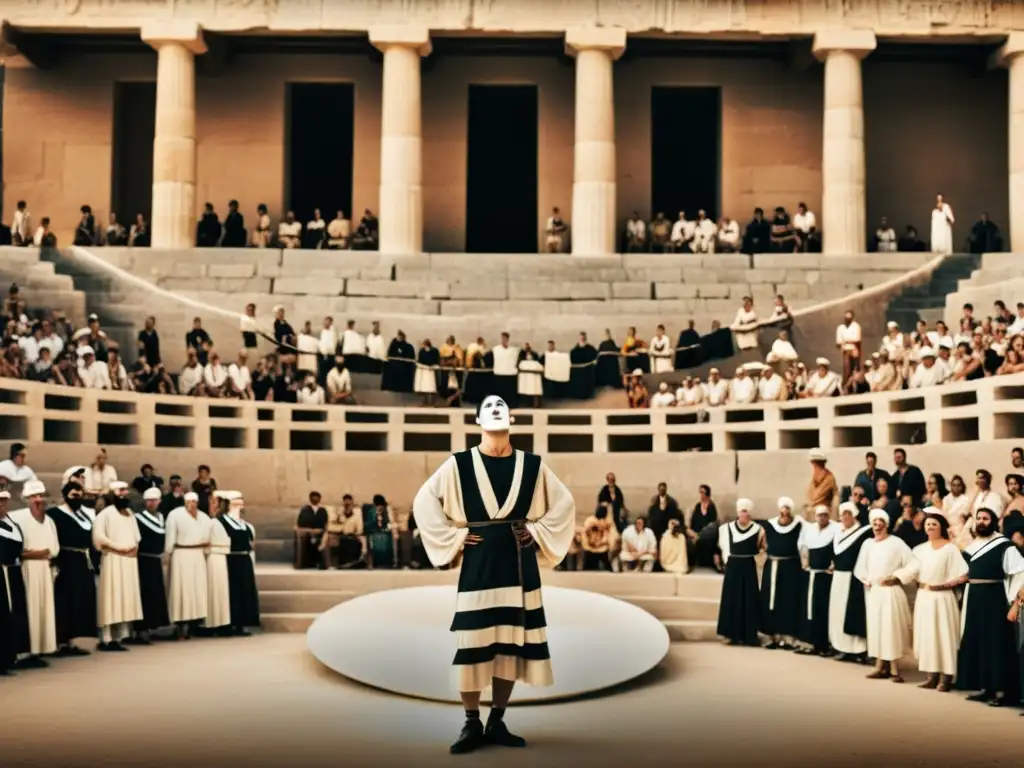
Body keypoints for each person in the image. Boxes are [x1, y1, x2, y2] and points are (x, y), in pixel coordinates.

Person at [412, 394, 575, 754]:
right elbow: (424, 500)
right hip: (481, 561)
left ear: (512, 420)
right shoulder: (459, 464)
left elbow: (565, 502)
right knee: (472, 642)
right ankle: (471, 721)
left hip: (518, 562)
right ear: (477, 421)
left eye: (502, 406)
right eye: (488, 406)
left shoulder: (532, 465)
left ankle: (497, 718)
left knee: (509, 644)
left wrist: (537, 531)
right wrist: (454, 536)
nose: (496, 408)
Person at [956, 507, 1024, 706]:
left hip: (994, 599)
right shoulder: (973, 545)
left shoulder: (1005, 545)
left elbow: (1020, 572)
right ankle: (985, 687)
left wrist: (1015, 602)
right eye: (978, 518)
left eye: (985, 518)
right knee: (979, 642)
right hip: (975, 598)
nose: (981, 521)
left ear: (993, 522)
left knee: (996, 644)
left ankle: (1002, 691)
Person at [854, 509, 919, 682]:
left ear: (886, 524)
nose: (876, 525)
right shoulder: (868, 544)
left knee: (891, 629)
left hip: (891, 593)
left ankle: (894, 669)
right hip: (875, 592)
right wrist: (866, 579)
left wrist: (896, 577)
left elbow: (914, 564)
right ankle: (879, 666)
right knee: (876, 629)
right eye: (873, 522)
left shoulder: (896, 543)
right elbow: (860, 566)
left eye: (879, 522)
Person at [911, 512, 968, 692]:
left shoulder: (950, 549)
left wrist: (944, 585)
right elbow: (912, 570)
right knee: (927, 636)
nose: (930, 527)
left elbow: (963, 575)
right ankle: (931, 675)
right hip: (924, 597)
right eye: (928, 525)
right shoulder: (919, 549)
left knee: (943, 636)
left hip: (942, 598)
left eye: (934, 524)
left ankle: (946, 677)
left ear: (941, 527)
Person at [8, 480, 59, 668]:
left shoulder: (49, 521)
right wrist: (32, 553)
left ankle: (37, 650)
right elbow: (12, 548)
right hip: (26, 569)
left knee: (42, 610)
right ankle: (23, 652)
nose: (38, 500)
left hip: (44, 570)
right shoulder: (17, 518)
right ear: (27, 498)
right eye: (34, 496)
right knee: (27, 609)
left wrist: (44, 554)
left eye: (41, 496)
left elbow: (53, 548)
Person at [48, 481, 97, 656]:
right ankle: (61, 642)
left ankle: (72, 641)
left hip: (83, 562)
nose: (77, 498)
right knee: (65, 601)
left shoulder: (84, 515)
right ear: (65, 495)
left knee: (79, 602)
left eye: (80, 495)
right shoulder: (54, 514)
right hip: (66, 563)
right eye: (73, 495)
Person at [92, 481, 143, 651]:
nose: (124, 494)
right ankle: (106, 638)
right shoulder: (105, 514)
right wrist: (119, 548)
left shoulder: (130, 514)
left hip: (129, 562)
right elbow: (99, 539)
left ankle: (120, 636)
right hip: (113, 560)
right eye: (120, 491)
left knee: (124, 599)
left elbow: (136, 538)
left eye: (125, 491)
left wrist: (132, 550)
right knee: (110, 599)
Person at [759, 497, 805, 650]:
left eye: (787, 509)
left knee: (788, 601)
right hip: (773, 567)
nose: (785, 512)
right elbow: (761, 543)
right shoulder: (770, 524)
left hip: (791, 568)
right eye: (782, 509)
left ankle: (788, 637)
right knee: (770, 601)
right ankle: (770, 636)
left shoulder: (799, 524)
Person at [829, 502, 872, 662]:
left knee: (854, 613)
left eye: (848, 514)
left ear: (854, 515)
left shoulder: (863, 533)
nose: (845, 517)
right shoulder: (838, 533)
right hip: (838, 578)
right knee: (838, 613)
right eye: (843, 514)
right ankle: (842, 648)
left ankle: (859, 650)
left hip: (854, 578)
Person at [164, 492, 210, 640]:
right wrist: (168, 553)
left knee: (197, 589)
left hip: (198, 556)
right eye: (189, 501)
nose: (192, 504)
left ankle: (195, 621)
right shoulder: (175, 515)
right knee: (181, 589)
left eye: (194, 501)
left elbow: (208, 537)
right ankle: (180, 623)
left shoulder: (203, 517)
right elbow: (170, 536)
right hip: (181, 555)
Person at [717, 498, 763, 646]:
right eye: (742, 511)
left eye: (746, 512)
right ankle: (730, 634)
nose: (744, 514)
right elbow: (723, 547)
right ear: (738, 512)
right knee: (732, 600)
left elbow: (762, 547)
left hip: (748, 566)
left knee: (749, 600)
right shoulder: (727, 528)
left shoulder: (758, 529)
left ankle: (749, 635)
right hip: (733, 567)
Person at [798, 505, 839, 656]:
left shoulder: (835, 529)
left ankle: (823, 645)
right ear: (815, 517)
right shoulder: (810, 530)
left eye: (824, 515)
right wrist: (805, 561)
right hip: (810, 575)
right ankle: (810, 642)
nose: (822, 518)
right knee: (809, 609)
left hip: (824, 577)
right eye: (819, 515)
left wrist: (833, 565)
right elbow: (804, 548)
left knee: (822, 610)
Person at [132, 487, 169, 643]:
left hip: (156, 561)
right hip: (143, 561)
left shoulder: (161, 517)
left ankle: (153, 625)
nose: (151, 503)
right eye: (148, 501)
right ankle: (141, 629)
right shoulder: (138, 518)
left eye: (154, 500)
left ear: (159, 501)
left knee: (155, 594)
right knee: (144, 594)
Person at [220, 491, 260, 636]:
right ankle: (229, 624)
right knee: (231, 592)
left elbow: (251, 545)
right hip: (230, 561)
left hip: (244, 561)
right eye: (236, 502)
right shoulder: (221, 522)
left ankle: (241, 624)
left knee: (244, 592)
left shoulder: (246, 525)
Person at [0, 489, 31, 674]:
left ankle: (11, 656)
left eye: (4, 502)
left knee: (13, 614)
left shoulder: (12, 524)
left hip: (12, 572)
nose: (2, 505)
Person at [205, 493, 233, 636]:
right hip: (211, 560)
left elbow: (226, 543)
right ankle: (210, 624)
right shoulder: (207, 521)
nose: (214, 505)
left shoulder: (220, 522)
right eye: (212, 502)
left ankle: (221, 623)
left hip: (219, 560)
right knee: (212, 592)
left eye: (216, 503)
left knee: (220, 593)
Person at [294, 491, 328, 569]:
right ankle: (305, 563)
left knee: (322, 540)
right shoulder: (305, 509)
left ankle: (320, 563)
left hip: (320, 532)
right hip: (307, 532)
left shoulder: (322, 510)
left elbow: (325, 523)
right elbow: (300, 523)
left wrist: (320, 530)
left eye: (317, 497)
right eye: (313, 497)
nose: (315, 499)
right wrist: (311, 531)